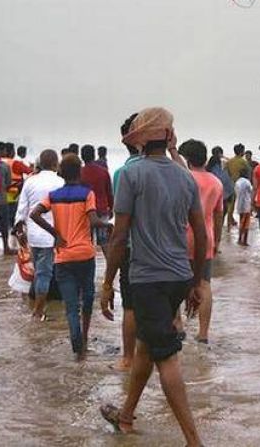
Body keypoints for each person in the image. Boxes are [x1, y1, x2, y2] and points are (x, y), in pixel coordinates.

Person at [99, 107, 206, 445]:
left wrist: (107, 281)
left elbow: (119, 234)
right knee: (147, 346)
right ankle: (126, 416)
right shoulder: (184, 175)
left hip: (148, 279)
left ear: (140, 141)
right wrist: (196, 280)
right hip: (179, 276)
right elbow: (201, 233)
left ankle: (193, 439)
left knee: (167, 356)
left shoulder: (132, 175)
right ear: (168, 136)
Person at [30, 154, 111, 360]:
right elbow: (93, 220)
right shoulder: (87, 194)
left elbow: (34, 214)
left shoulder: (54, 195)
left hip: (63, 257)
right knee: (88, 298)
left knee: (71, 304)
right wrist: (109, 225)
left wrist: (55, 234)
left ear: (61, 172)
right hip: (84, 254)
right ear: (80, 172)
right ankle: (83, 340)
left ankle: (76, 343)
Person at [179, 139, 223, 344]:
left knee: (177, 283)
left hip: (182, 237)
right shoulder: (216, 182)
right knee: (204, 285)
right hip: (205, 238)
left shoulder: (184, 178)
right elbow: (218, 215)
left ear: (187, 159)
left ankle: (178, 326)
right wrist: (217, 241)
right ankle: (203, 333)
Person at [14, 149, 64, 320]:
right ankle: (38, 311)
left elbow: (22, 208)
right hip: (53, 234)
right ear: (55, 164)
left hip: (34, 234)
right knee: (44, 272)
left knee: (40, 270)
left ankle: (41, 301)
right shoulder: (60, 182)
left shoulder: (30, 181)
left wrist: (19, 230)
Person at [110, 112, 142, 371]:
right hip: (166, 250)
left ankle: (129, 358)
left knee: (130, 306)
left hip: (133, 248)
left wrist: (107, 279)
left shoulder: (123, 173)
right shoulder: (170, 169)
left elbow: (120, 223)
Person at [80, 144, 114, 257]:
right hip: (102, 210)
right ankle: (110, 269)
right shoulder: (103, 172)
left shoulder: (80, 173)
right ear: (94, 155)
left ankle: (88, 267)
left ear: (82, 156)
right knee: (104, 241)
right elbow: (109, 192)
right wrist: (111, 208)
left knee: (87, 241)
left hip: (86, 212)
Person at [225, 144, 250, 229]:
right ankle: (242, 226)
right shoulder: (243, 162)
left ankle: (228, 225)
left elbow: (226, 173)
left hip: (231, 185)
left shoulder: (229, 161)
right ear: (241, 152)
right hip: (242, 186)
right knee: (243, 206)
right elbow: (248, 173)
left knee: (230, 206)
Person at [234, 167, 253, 246]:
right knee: (246, 223)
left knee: (241, 221)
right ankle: (244, 240)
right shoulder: (247, 182)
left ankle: (239, 238)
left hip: (239, 204)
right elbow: (251, 192)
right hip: (246, 204)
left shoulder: (237, 182)